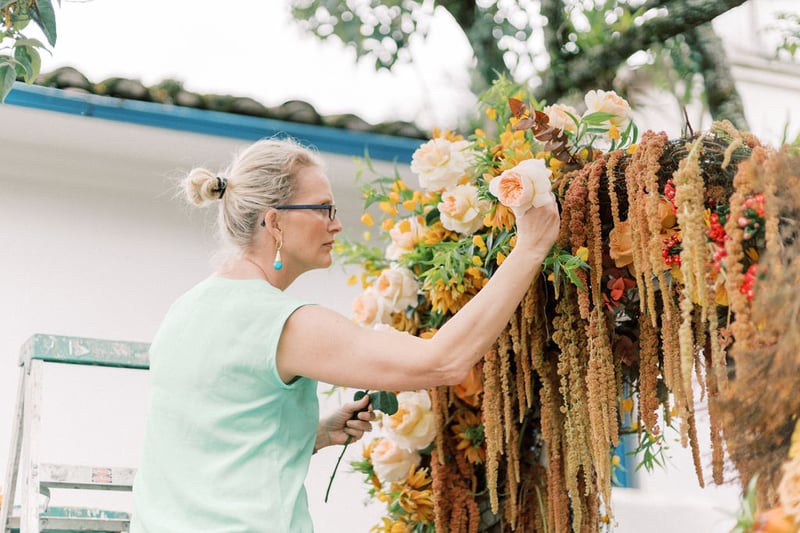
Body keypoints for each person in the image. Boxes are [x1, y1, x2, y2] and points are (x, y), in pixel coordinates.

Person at [130, 136, 560, 532]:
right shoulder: (282, 322)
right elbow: (443, 361)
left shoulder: (184, 310)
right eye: (323, 209)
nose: (336, 225)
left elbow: (206, 437)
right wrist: (531, 248)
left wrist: (308, 435)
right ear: (275, 222)